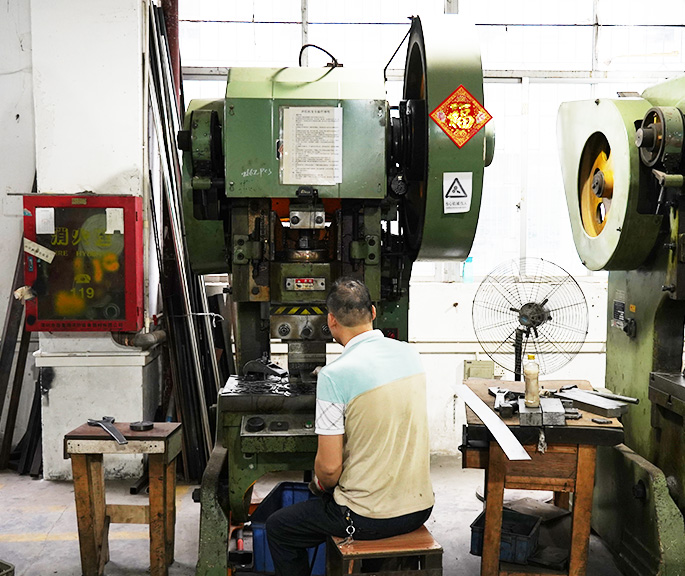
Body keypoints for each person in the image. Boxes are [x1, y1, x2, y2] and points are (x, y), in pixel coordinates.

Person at [266, 277, 434, 576]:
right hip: (420, 508)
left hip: (365, 516)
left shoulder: (335, 375)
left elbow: (330, 470)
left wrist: (318, 485)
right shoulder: (410, 354)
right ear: (373, 312)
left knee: (280, 526)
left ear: (331, 320)